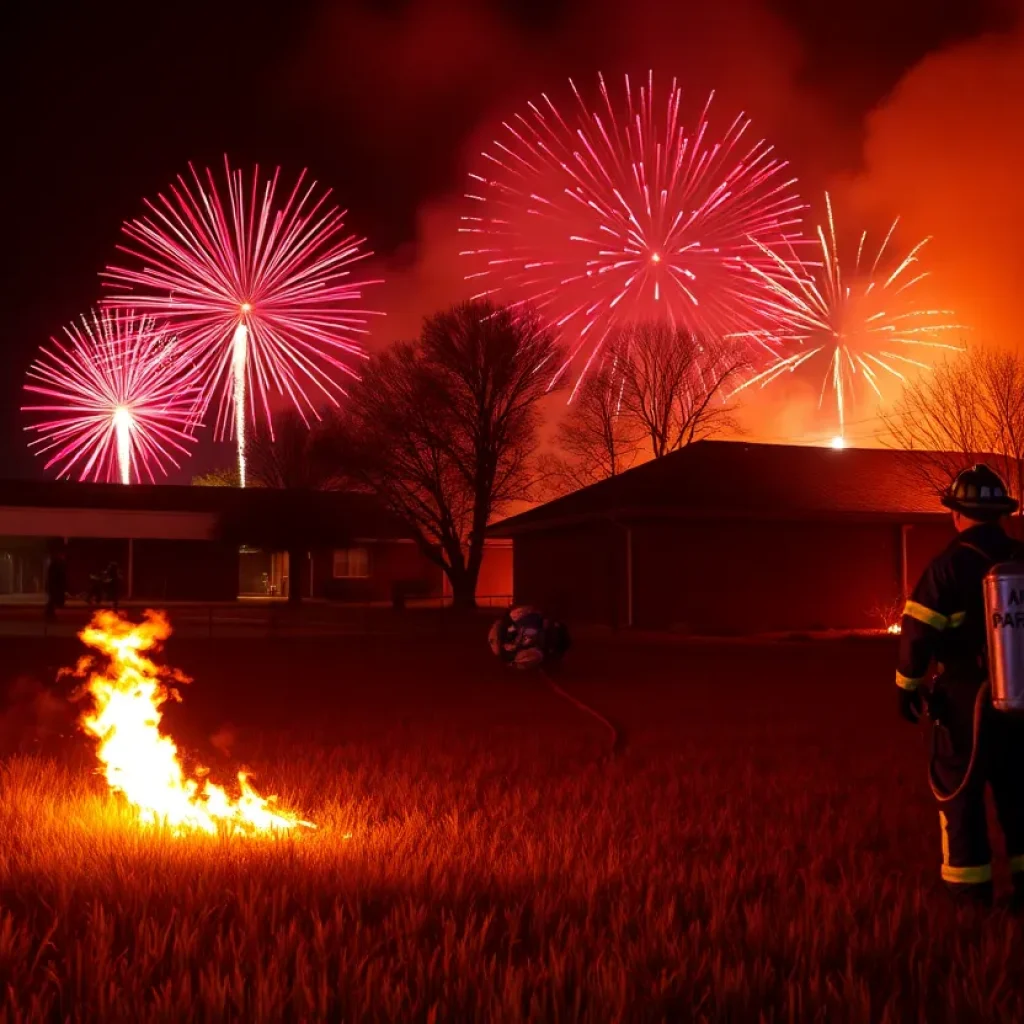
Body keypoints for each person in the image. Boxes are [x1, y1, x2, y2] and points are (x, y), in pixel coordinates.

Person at [896, 463, 1024, 907]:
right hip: (1022, 695)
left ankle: (970, 900)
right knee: (1020, 794)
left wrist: (906, 686)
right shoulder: (1020, 559)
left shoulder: (948, 566)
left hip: (967, 697)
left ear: (956, 513)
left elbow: (918, 631)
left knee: (960, 791)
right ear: (1002, 514)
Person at [489, 605, 571, 670]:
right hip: (548, 645)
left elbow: (533, 612)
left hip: (548, 637)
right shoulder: (515, 654)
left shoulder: (516, 617)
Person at [43, 550, 67, 622]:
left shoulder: (55, 565)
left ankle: (49, 614)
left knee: (52, 600)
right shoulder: (56, 565)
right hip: (54, 586)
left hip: (54, 586)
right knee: (52, 600)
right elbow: (55, 577)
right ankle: (49, 614)